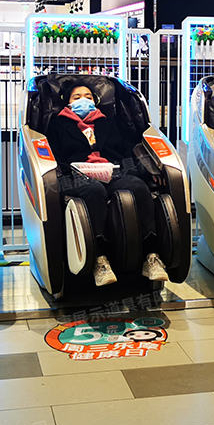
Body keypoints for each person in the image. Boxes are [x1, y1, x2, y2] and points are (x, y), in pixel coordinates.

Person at [46, 81, 168, 287]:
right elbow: (55, 158)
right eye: (77, 97)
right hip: (78, 177)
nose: (83, 100)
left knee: (138, 186)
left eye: (88, 97)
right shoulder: (57, 126)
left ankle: (151, 256)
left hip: (113, 174)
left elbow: (129, 152)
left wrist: (148, 171)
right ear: (67, 103)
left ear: (96, 101)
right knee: (93, 190)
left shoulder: (110, 123)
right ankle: (100, 260)